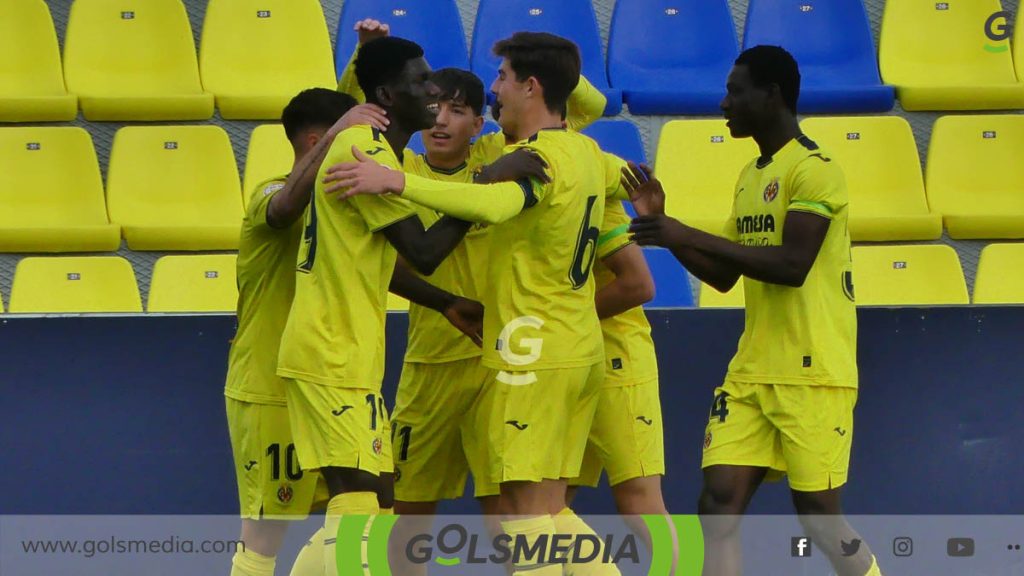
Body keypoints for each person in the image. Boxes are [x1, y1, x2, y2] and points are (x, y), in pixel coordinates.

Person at [326, 32, 636, 576]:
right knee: (425, 511)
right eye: (435, 104)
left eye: (466, 106)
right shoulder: (420, 165)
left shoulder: (507, 156)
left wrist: (552, 62)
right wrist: (361, 61)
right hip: (443, 362)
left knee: (518, 514)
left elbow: (578, 113)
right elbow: (360, 119)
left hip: (512, 357)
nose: (444, 118)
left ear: (480, 125)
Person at [275, 37, 546, 576]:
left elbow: (388, 262)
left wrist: (447, 303)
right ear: (386, 94)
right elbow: (422, 252)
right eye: (421, 82)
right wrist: (485, 190)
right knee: (358, 503)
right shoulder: (366, 150)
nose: (432, 91)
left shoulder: (383, 153)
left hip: (349, 351)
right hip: (329, 350)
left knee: (373, 501)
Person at [623, 45, 883, 576]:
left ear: (773, 94)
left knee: (818, 519)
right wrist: (664, 228)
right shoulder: (750, 176)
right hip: (752, 370)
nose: (725, 103)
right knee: (717, 506)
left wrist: (684, 232)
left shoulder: (817, 171)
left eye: (736, 91)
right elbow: (722, 277)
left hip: (814, 372)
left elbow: (792, 265)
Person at [224, 88, 389, 576]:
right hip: (269, 385)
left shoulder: (339, 209)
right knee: (266, 532)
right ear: (319, 141)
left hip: (329, 377)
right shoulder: (270, 194)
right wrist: (340, 132)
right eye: (343, 136)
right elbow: (282, 211)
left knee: (372, 506)